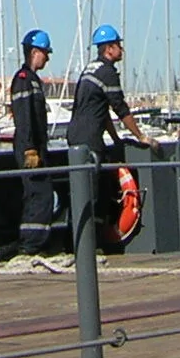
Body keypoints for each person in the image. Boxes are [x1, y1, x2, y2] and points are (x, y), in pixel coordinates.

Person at [67, 24, 153, 227]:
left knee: (82, 189)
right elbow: (120, 108)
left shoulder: (90, 69)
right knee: (92, 192)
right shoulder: (107, 73)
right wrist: (141, 136)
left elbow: (102, 111)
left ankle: (79, 234)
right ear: (108, 49)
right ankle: (93, 239)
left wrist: (115, 139)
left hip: (75, 136)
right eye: (118, 45)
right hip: (90, 139)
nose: (121, 49)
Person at [10, 29, 55, 255]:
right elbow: (24, 117)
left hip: (38, 147)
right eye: (45, 53)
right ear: (35, 52)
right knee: (39, 195)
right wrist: (29, 148)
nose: (47, 58)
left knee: (41, 195)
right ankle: (30, 246)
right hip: (30, 149)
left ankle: (36, 245)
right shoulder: (23, 80)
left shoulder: (33, 80)